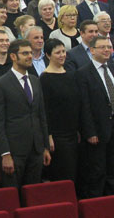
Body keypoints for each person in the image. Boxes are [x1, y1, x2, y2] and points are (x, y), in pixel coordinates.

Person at [0, 39, 51, 188]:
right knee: (12, 194)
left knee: (33, 194)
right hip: (15, 151)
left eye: (30, 53)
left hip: (36, 149)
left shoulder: (35, 81)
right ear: (13, 56)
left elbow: (41, 116)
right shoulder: (1, 84)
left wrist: (45, 147)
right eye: (25, 53)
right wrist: (5, 154)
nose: (29, 56)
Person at [77, 36, 114, 199]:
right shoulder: (83, 73)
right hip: (97, 130)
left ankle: (112, 201)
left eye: (108, 47)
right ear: (92, 50)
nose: (106, 50)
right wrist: (90, 132)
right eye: (102, 47)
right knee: (97, 170)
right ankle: (96, 203)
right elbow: (84, 106)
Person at [39, 38, 81, 182]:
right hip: (57, 135)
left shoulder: (71, 74)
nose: (62, 55)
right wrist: (49, 136)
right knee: (63, 172)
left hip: (73, 131)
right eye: (58, 52)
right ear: (48, 55)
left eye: (64, 51)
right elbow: (45, 109)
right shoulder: (45, 78)